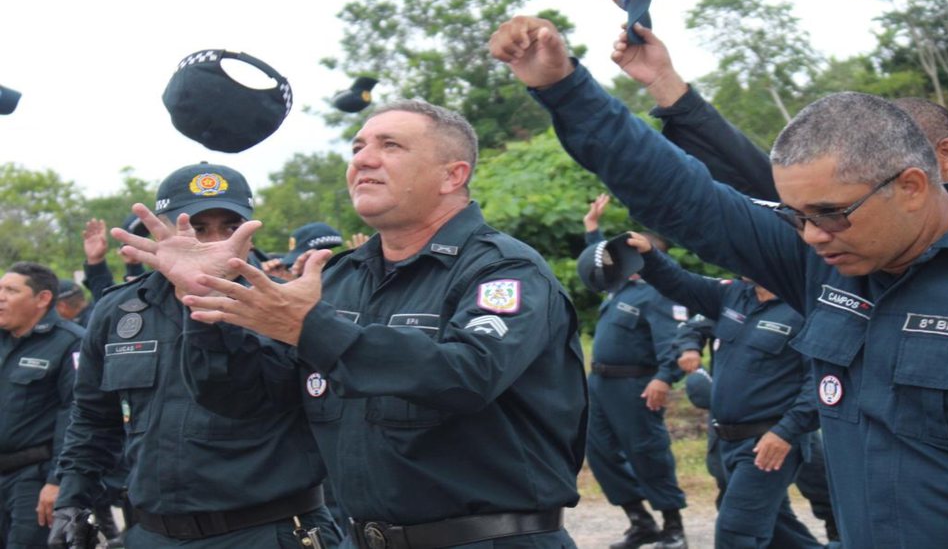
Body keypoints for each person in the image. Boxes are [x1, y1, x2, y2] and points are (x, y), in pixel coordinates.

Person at [490, 16, 948, 547]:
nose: (812, 235)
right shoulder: (824, 261)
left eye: (832, 214)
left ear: (913, 186)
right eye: (797, 217)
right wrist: (565, 87)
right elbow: (678, 191)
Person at [133, 102, 586, 548]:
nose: (363, 159)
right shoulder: (338, 279)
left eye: (390, 146)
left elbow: (468, 374)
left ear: (453, 175)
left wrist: (314, 328)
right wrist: (206, 298)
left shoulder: (503, 271)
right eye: (357, 147)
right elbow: (249, 400)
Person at [611, 26, 948, 346]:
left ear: (938, 159)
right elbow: (749, 173)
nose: (818, 230)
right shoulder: (847, 220)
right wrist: (665, 85)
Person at [51, 163, 342, 548]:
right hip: (153, 534)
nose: (215, 240)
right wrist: (72, 498)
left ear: (250, 234)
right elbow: (92, 418)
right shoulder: (120, 310)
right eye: (197, 227)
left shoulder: (283, 303)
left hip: (266, 530)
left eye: (230, 226)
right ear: (163, 230)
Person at [621, 232, 823, 549]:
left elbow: (820, 384)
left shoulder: (806, 308)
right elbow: (681, 283)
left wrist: (787, 431)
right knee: (780, 532)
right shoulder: (733, 295)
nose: (739, 260)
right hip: (727, 441)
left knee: (735, 533)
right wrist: (649, 255)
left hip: (767, 444)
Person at [580, 194, 689, 549]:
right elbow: (598, 263)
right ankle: (640, 522)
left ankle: (673, 529)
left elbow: (674, 341)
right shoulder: (618, 287)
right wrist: (592, 230)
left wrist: (664, 378)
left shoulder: (658, 293)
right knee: (600, 453)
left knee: (647, 453)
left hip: (636, 384)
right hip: (600, 384)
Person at [0, 262, 84, 549]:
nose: (0, 296)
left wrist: (58, 481)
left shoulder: (70, 343)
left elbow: (76, 416)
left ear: (43, 298)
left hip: (32, 480)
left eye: (10, 290)